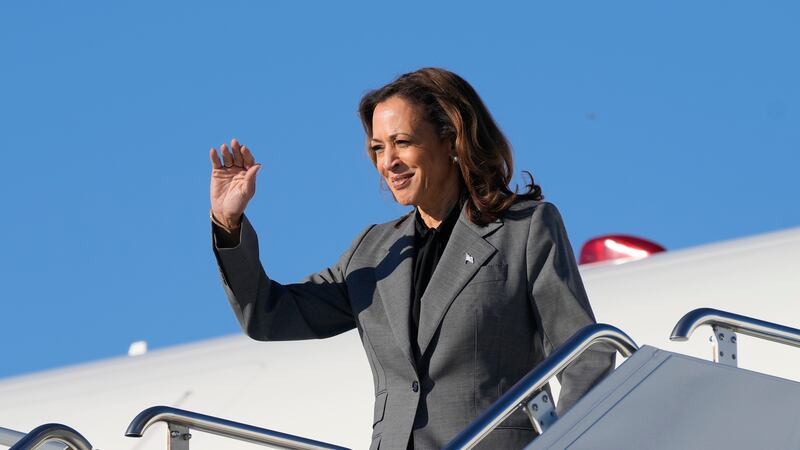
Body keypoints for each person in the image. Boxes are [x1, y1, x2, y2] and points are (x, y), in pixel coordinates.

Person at [209, 68, 615, 450]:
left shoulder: (524, 228)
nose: (389, 162)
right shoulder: (372, 250)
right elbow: (267, 315)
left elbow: (586, 353)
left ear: (451, 139)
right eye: (378, 148)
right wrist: (228, 223)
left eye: (402, 142)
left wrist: (562, 443)